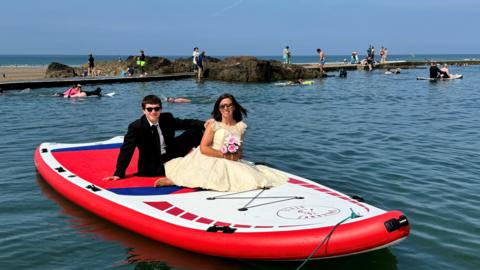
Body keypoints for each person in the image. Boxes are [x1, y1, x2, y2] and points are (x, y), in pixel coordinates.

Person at [155, 93, 288, 192]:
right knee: (204, 174)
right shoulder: (213, 124)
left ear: (234, 107)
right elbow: (203, 148)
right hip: (209, 156)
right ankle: (176, 180)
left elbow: (240, 150)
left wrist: (236, 155)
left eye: (229, 105)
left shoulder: (241, 126)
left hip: (230, 158)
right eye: (223, 106)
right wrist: (224, 155)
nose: (226, 108)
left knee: (253, 179)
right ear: (219, 109)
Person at [103, 95, 204, 180]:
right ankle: (181, 167)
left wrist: (206, 124)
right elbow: (127, 150)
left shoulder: (167, 118)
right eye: (149, 109)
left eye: (156, 109)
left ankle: (204, 161)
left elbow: (186, 123)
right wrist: (118, 173)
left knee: (196, 131)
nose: (153, 112)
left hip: (169, 154)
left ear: (160, 109)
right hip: (152, 166)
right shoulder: (136, 127)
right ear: (144, 110)